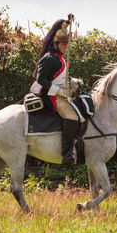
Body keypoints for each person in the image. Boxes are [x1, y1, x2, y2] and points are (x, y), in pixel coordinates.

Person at [32, 15, 81, 165]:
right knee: (73, 117)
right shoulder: (49, 58)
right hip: (52, 96)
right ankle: (66, 154)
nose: (66, 47)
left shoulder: (60, 58)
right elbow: (41, 79)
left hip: (63, 95)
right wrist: (57, 90)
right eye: (63, 45)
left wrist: (73, 82)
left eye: (67, 45)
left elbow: (61, 77)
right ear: (56, 44)